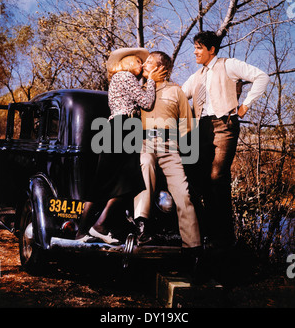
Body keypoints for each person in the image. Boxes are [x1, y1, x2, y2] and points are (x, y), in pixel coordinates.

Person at [182, 31, 269, 254]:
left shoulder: (228, 65)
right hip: (202, 129)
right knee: (196, 180)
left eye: (199, 47)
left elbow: (262, 76)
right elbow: (180, 96)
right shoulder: (197, 75)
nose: (195, 51)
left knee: (217, 177)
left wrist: (246, 105)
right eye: (195, 47)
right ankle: (206, 235)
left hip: (224, 125)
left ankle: (223, 240)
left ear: (211, 49)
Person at [76, 47, 166, 243]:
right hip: (122, 127)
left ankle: (91, 228)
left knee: (116, 182)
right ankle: (93, 227)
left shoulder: (124, 80)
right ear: (125, 63)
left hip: (123, 127)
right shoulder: (124, 76)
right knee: (120, 181)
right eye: (137, 61)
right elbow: (147, 102)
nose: (141, 65)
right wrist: (151, 79)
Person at [134, 51, 202, 272]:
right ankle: (141, 223)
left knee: (183, 192)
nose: (144, 66)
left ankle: (193, 249)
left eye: (149, 63)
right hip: (144, 142)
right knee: (145, 164)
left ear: (162, 68)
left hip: (170, 146)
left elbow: (187, 124)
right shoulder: (141, 89)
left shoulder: (176, 91)